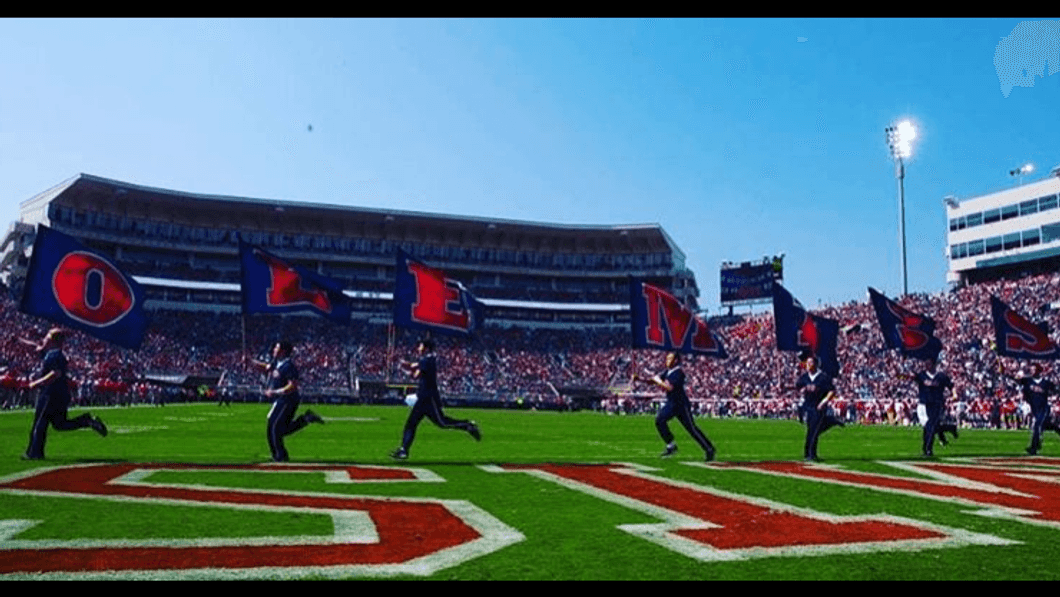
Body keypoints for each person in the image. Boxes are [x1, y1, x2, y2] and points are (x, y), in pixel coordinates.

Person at [22, 328, 107, 460]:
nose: (43, 339)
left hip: (51, 394)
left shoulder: (55, 355)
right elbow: (36, 346)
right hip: (59, 394)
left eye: (46, 337)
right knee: (59, 424)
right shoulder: (53, 353)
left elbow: (55, 374)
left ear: (52, 340)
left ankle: (34, 453)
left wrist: (36, 383)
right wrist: (21, 341)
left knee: (40, 423)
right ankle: (86, 420)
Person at [390, 339, 480, 460]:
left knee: (442, 423)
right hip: (423, 398)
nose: (418, 348)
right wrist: (403, 364)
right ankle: (403, 450)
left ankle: (468, 425)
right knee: (411, 424)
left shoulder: (428, 359)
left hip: (428, 398)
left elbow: (415, 372)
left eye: (420, 346)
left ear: (426, 347)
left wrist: (401, 364)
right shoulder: (427, 359)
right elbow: (414, 367)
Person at [632, 351, 716, 461]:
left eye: (669, 358)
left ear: (676, 360)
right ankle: (671, 445)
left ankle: (709, 449)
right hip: (672, 403)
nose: (666, 361)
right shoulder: (668, 372)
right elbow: (653, 381)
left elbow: (669, 387)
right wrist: (640, 379)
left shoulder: (678, 373)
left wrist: (658, 381)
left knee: (691, 429)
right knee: (660, 420)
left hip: (681, 405)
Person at [251, 341, 323, 462]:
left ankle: (280, 456)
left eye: (276, 348)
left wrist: (275, 392)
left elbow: (292, 386)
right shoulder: (276, 363)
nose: (274, 349)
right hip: (280, 400)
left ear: (283, 351)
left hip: (288, 400)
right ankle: (305, 419)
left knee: (275, 427)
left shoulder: (288, 366)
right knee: (276, 428)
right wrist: (251, 362)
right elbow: (266, 367)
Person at [794, 354, 843, 462]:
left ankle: (811, 454)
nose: (808, 365)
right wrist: (801, 390)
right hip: (808, 406)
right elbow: (798, 386)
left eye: (810, 363)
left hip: (818, 406)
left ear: (815, 364)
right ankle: (830, 422)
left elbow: (831, 391)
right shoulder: (804, 377)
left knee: (814, 431)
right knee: (811, 430)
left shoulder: (823, 377)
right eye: (807, 363)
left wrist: (824, 402)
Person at [1003, 363, 1060, 455]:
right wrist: (1005, 372)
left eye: (1034, 369)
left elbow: (1056, 389)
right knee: (1048, 426)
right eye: (1031, 369)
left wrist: (1055, 397)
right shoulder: (1027, 381)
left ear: (1038, 371)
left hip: (1044, 408)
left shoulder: (1046, 382)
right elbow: (1015, 379)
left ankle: (1034, 448)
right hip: (1035, 409)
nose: (1031, 371)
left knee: (1037, 425)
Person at [910, 358, 958, 457]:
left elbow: (951, 386)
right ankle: (949, 428)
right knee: (928, 427)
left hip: (936, 404)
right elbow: (910, 377)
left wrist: (954, 394)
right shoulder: (922, 375)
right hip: (924, 404)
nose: (927, 365)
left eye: (929, 363)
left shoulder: (941, 376)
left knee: (930, 427)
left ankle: (928, 450)